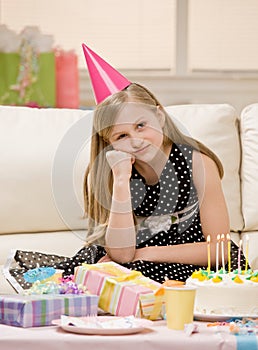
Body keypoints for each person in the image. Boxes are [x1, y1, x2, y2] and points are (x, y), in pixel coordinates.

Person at [7, 45, 247, 291]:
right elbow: (121, 253)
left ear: (159, 118)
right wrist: (121, 180)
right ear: (109, 143)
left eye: (141, 125)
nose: (134, 140)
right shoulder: (121, 170)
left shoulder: (197, 163)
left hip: (197, 261)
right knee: (97, 264)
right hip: (133, 255)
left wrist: (145, 254)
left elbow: (218, 249)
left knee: (128, 275)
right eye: (121, 135)